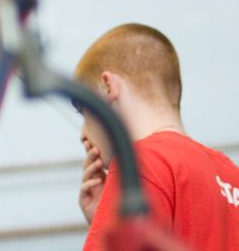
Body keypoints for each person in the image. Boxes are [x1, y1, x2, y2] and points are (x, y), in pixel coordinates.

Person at [74, 23, 239, 250]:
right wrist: (108, 217)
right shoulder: (231, 173)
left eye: (84, 109)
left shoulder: (137, 164)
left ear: (108, 86)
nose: (83, 134)